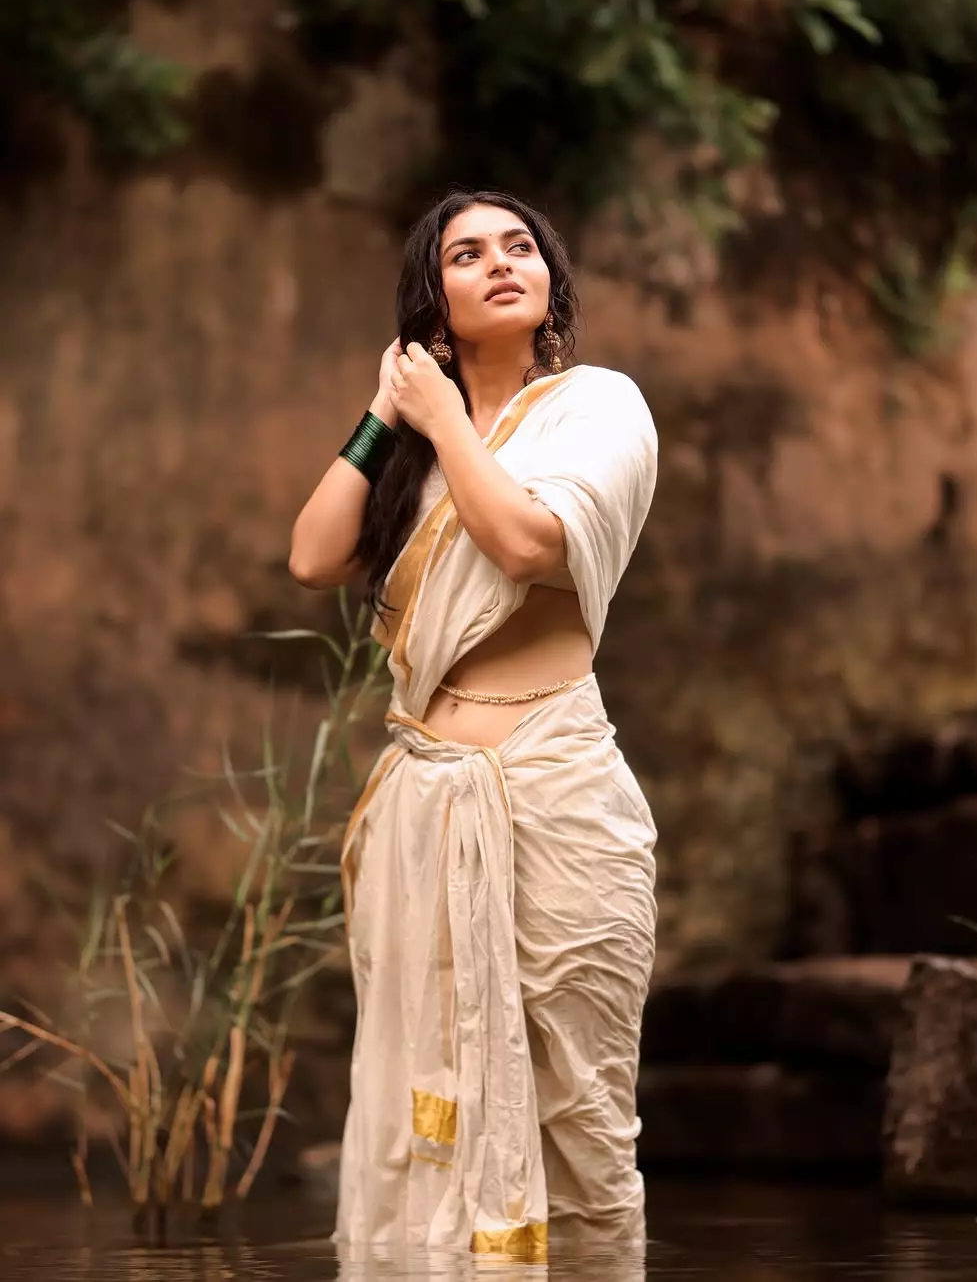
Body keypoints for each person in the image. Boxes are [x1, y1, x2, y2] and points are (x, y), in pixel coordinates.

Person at [289, 188, 659, 1262]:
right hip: (427, 804)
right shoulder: (416, 453)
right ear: (432, 307)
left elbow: (531, 545)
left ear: (549, 280)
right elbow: (312, 557)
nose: (501, 261)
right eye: (466, 253)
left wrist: (447, 419)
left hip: (558, 796)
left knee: (581, 1111)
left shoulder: (598, 407)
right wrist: (385, 413)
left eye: (519, 245)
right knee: (428, 1124)